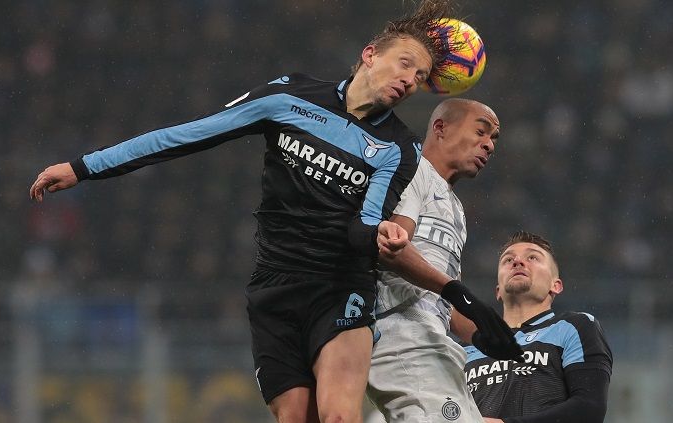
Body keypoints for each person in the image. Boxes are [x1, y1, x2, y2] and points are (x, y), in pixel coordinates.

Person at [28, 2, 513, 422]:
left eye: (422, 77)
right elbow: (187, 135)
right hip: (275, 291)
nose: (409, 80)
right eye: (405, 64)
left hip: (340, 289)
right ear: (370, 54)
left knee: (340, 414)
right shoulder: (287, 99)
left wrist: (380, 235)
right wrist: (84, 167)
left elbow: (360, 229)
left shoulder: (397, 149)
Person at [366, 98, 521, 423]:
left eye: (493, 139)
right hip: (401, 332)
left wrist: (481, 335)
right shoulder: (411, 169)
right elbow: (391, 250)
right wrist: (457, 292)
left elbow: (447, 304)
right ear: (441, 128)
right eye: (481, 132)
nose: (489, 145)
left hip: (434, 340)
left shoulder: (456, 209)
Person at [457, 231, 613, 423]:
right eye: (508, 260)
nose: (517, 262)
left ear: (555, 285)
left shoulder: (574, 327)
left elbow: (589, 409)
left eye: (532, 257)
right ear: (498, 290)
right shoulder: (464, 348)